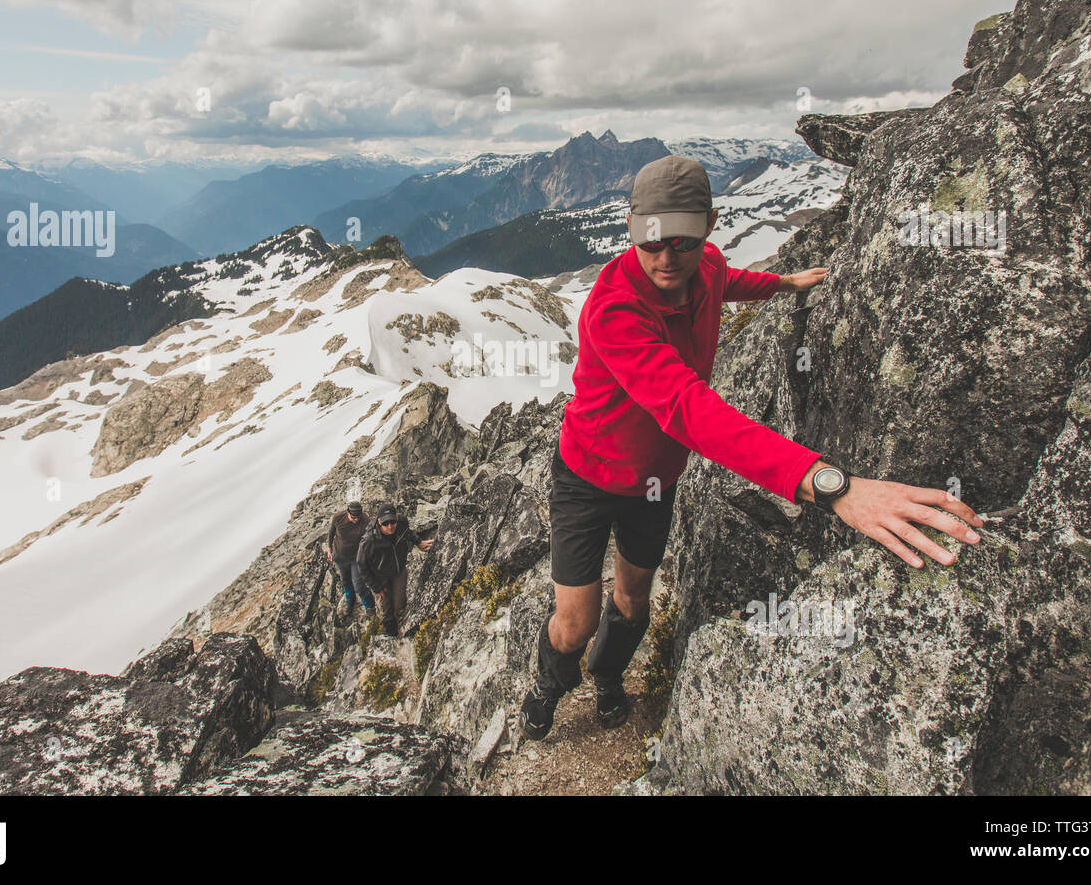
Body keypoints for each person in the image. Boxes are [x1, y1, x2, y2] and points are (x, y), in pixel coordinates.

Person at [519, 154, 985, 740]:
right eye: (650, 241)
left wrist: (785, 283)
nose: (667, 258)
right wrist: (829, 484)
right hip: (586, 478)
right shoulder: (614, 310)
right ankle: (548, 687)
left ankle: (608, 677)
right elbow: (689, 410)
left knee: (635, 600)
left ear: (709, 226)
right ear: (632, 228)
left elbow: (725, 279)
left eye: (683, 242)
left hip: (654, 482)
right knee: (576, 619)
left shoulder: (705, 265)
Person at [356, 503, 434, 636]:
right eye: (386, 523)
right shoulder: (370, 539)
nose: (390, 526)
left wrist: (419, 542)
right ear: (379, 522)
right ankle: (390, 632)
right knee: (385, 608)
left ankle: (401, 623)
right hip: (379, 577)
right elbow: (361, 564)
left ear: (397, 519)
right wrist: (375, 587)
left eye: (393, 522)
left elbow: (408, 532)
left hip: (398, 571)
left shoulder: (402, 523)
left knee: (399, 604)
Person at [324, 501, 373, 615]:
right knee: (345, 581)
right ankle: (350, 602)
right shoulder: (338, 518)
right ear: (347, 513)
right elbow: (331, 532)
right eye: (353, 517)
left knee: (359, 586)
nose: (356, 520)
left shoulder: (365, 520)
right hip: (340, 557)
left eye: (358, 517)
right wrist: (329, 548)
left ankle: (370, 608)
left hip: (356, 559)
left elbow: (370, 539)